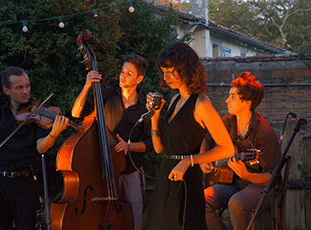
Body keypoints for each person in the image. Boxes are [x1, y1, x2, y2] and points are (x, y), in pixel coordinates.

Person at [0, 66, 69, 230]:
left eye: (27, 86)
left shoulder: (39, 114)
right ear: (6, 90)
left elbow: (41, 147)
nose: (26, 91)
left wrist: (53, 134)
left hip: (25, 183)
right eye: (19, 87)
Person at [143, 42, 234, 230]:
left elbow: (227, 148)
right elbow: (160, 149)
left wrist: (188, 161)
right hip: (166, 178)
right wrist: (155, 117)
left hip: (186, 182)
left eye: (170, 71)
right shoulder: (174, 99)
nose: (165, 77)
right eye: (163, 71)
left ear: (185, 68)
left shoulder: (201, 103)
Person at [71, 54, 153, 230]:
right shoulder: (107, 95)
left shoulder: (145, 105)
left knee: (134, 219)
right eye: (122, 71)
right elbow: (76, 113)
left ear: (139, 78)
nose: (123, 76)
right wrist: (87, 86)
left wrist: (129, 146)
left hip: (131, 171)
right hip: (103, 171)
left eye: (129, 73)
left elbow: (151, 143)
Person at [200, 72, 281, 230]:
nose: (227, 100)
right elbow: (206, 141)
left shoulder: (265, 133)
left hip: (263, 189)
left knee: (236, 202)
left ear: (247, 102)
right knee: (202, 198)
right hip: (232, 183)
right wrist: (204, 159)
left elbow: (271, 177)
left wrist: (247, 175)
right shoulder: (227, 122)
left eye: (233, 96)